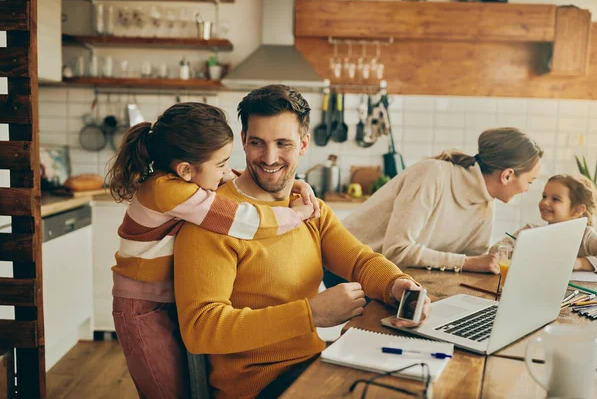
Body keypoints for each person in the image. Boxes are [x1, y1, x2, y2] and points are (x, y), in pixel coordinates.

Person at [173, 85, 431, 399]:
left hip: (314, 365)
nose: (269, 158)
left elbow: (359, 260)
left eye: (283, 144)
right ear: (243, 141)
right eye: (257, 143)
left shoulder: (307, 207)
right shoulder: (213, 220)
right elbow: (201, 329)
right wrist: (311, 314)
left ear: (304, 144)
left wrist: (396, 284)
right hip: (260, 387)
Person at [106, 102, 320, 399]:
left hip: (164, 300)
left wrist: (289, 182)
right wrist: (293, 215)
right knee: (164, 391)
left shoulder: (182, 179)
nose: (224, 171)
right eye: (219, 163)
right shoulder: (167, 190)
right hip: (142, 309)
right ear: (185, 170)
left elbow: (231, 178)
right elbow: (240, 221)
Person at [341, 127, 543, 278]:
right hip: (347, 259)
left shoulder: (485, 202)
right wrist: (468, 262)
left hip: (388, 270)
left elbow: (474, 259)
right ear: (507, 175)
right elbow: (397, 250)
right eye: (529, 181)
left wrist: (515, 243)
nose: (527, 189)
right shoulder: (433, 174)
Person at [490, 174, 597, 272]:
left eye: (555, 199)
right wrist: (517, 252)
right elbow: (495, 250)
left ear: (578, 210)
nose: (544, 202)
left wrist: (579, 263)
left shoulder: (586, 237)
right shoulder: (530, 231)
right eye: (544, 196)